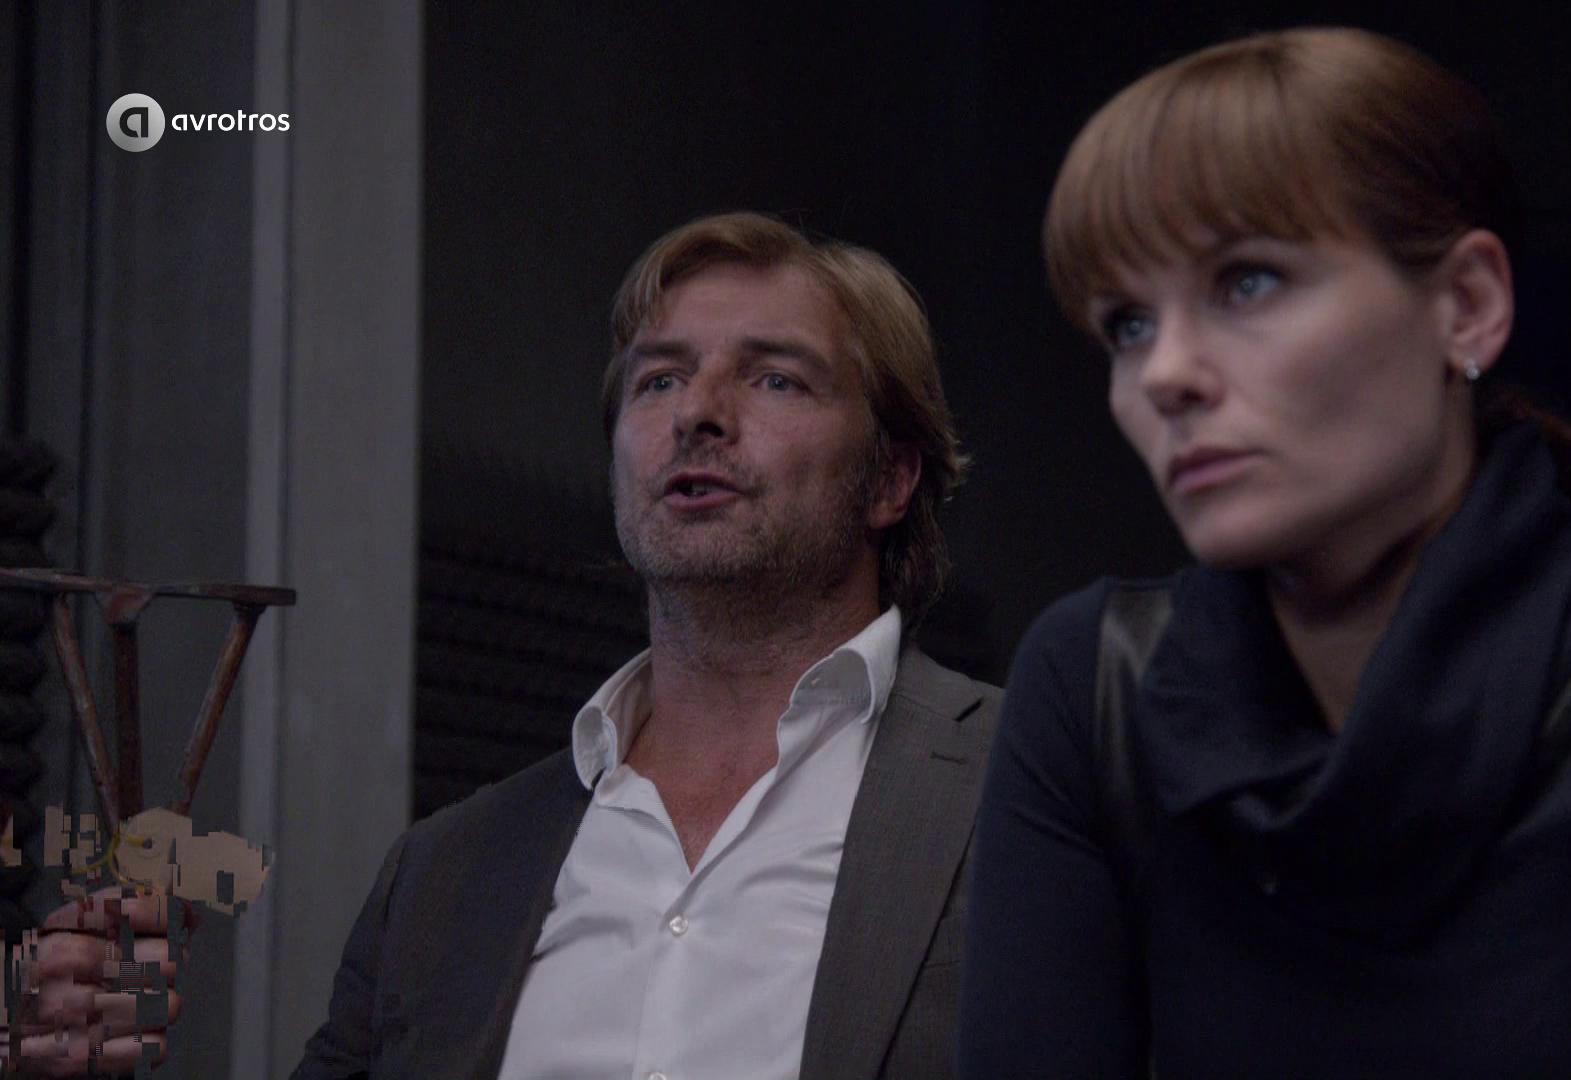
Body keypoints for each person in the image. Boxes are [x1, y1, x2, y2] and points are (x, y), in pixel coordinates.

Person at [958, 27, 1571, 1079]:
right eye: (1128, 325)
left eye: (1248, 282)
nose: (1165, 375)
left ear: (1467, 305)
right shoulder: (1091, 686)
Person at [11, 211, 998, 1079]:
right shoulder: (443, 872)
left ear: (890, 479)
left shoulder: (1021, 784)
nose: (696, 413)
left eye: (776, 378)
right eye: (659, 379)